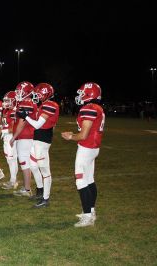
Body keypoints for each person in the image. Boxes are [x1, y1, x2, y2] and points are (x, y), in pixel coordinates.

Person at [61, 82, 105, 227]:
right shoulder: (98, 108)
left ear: (89, 94)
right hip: (93, 147)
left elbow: (84, 134)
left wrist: (70, 137)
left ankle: (87, 216)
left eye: (82, 93)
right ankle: (91, 211)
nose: (79, 96)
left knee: (80, 180)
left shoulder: (90, 108)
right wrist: (74, 134)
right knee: (89, 179)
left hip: (86, 148)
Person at [25, 83, 59, 208]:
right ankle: (40, 191)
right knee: (33, 166)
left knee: (45, 170)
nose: (37, 96)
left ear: (45, 93)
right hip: (37, 139)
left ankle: (45, 199)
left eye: (39, 93)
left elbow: (38, 124)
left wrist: (26, 116)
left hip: (42, 141)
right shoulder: (45, 105)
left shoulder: (50, 105)